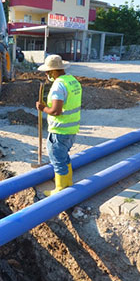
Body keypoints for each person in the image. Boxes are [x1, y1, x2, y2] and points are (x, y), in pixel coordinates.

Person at [35, 54, 83, 197]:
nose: (46, 74)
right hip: (71, 128)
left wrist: (42, 108)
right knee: (64, 157)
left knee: (57, 159)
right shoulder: (73, 81)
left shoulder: (58, 85)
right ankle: (68, 183)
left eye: (47, 72)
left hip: (59, 130)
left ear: (53, 71)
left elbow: (56, 110)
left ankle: (60, 190)